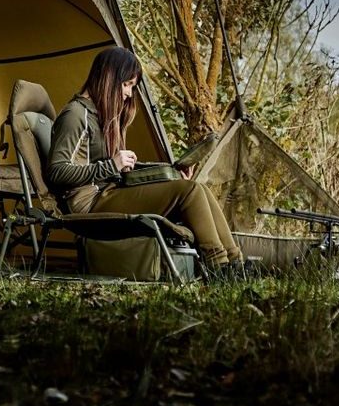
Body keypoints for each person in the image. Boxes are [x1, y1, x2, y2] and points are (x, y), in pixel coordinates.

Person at [47, 46, 246, 279]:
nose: (130, 93)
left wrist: (168, 173)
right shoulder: (74, 115)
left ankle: (236, 263)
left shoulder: (100, 115)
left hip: (109, 193)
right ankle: (218, 267)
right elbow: (56, 171)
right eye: (127, 84)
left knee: (196, 187)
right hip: (89, 204)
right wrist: (112, 165)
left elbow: (107, 169)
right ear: (109, 78)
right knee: (188, 191)